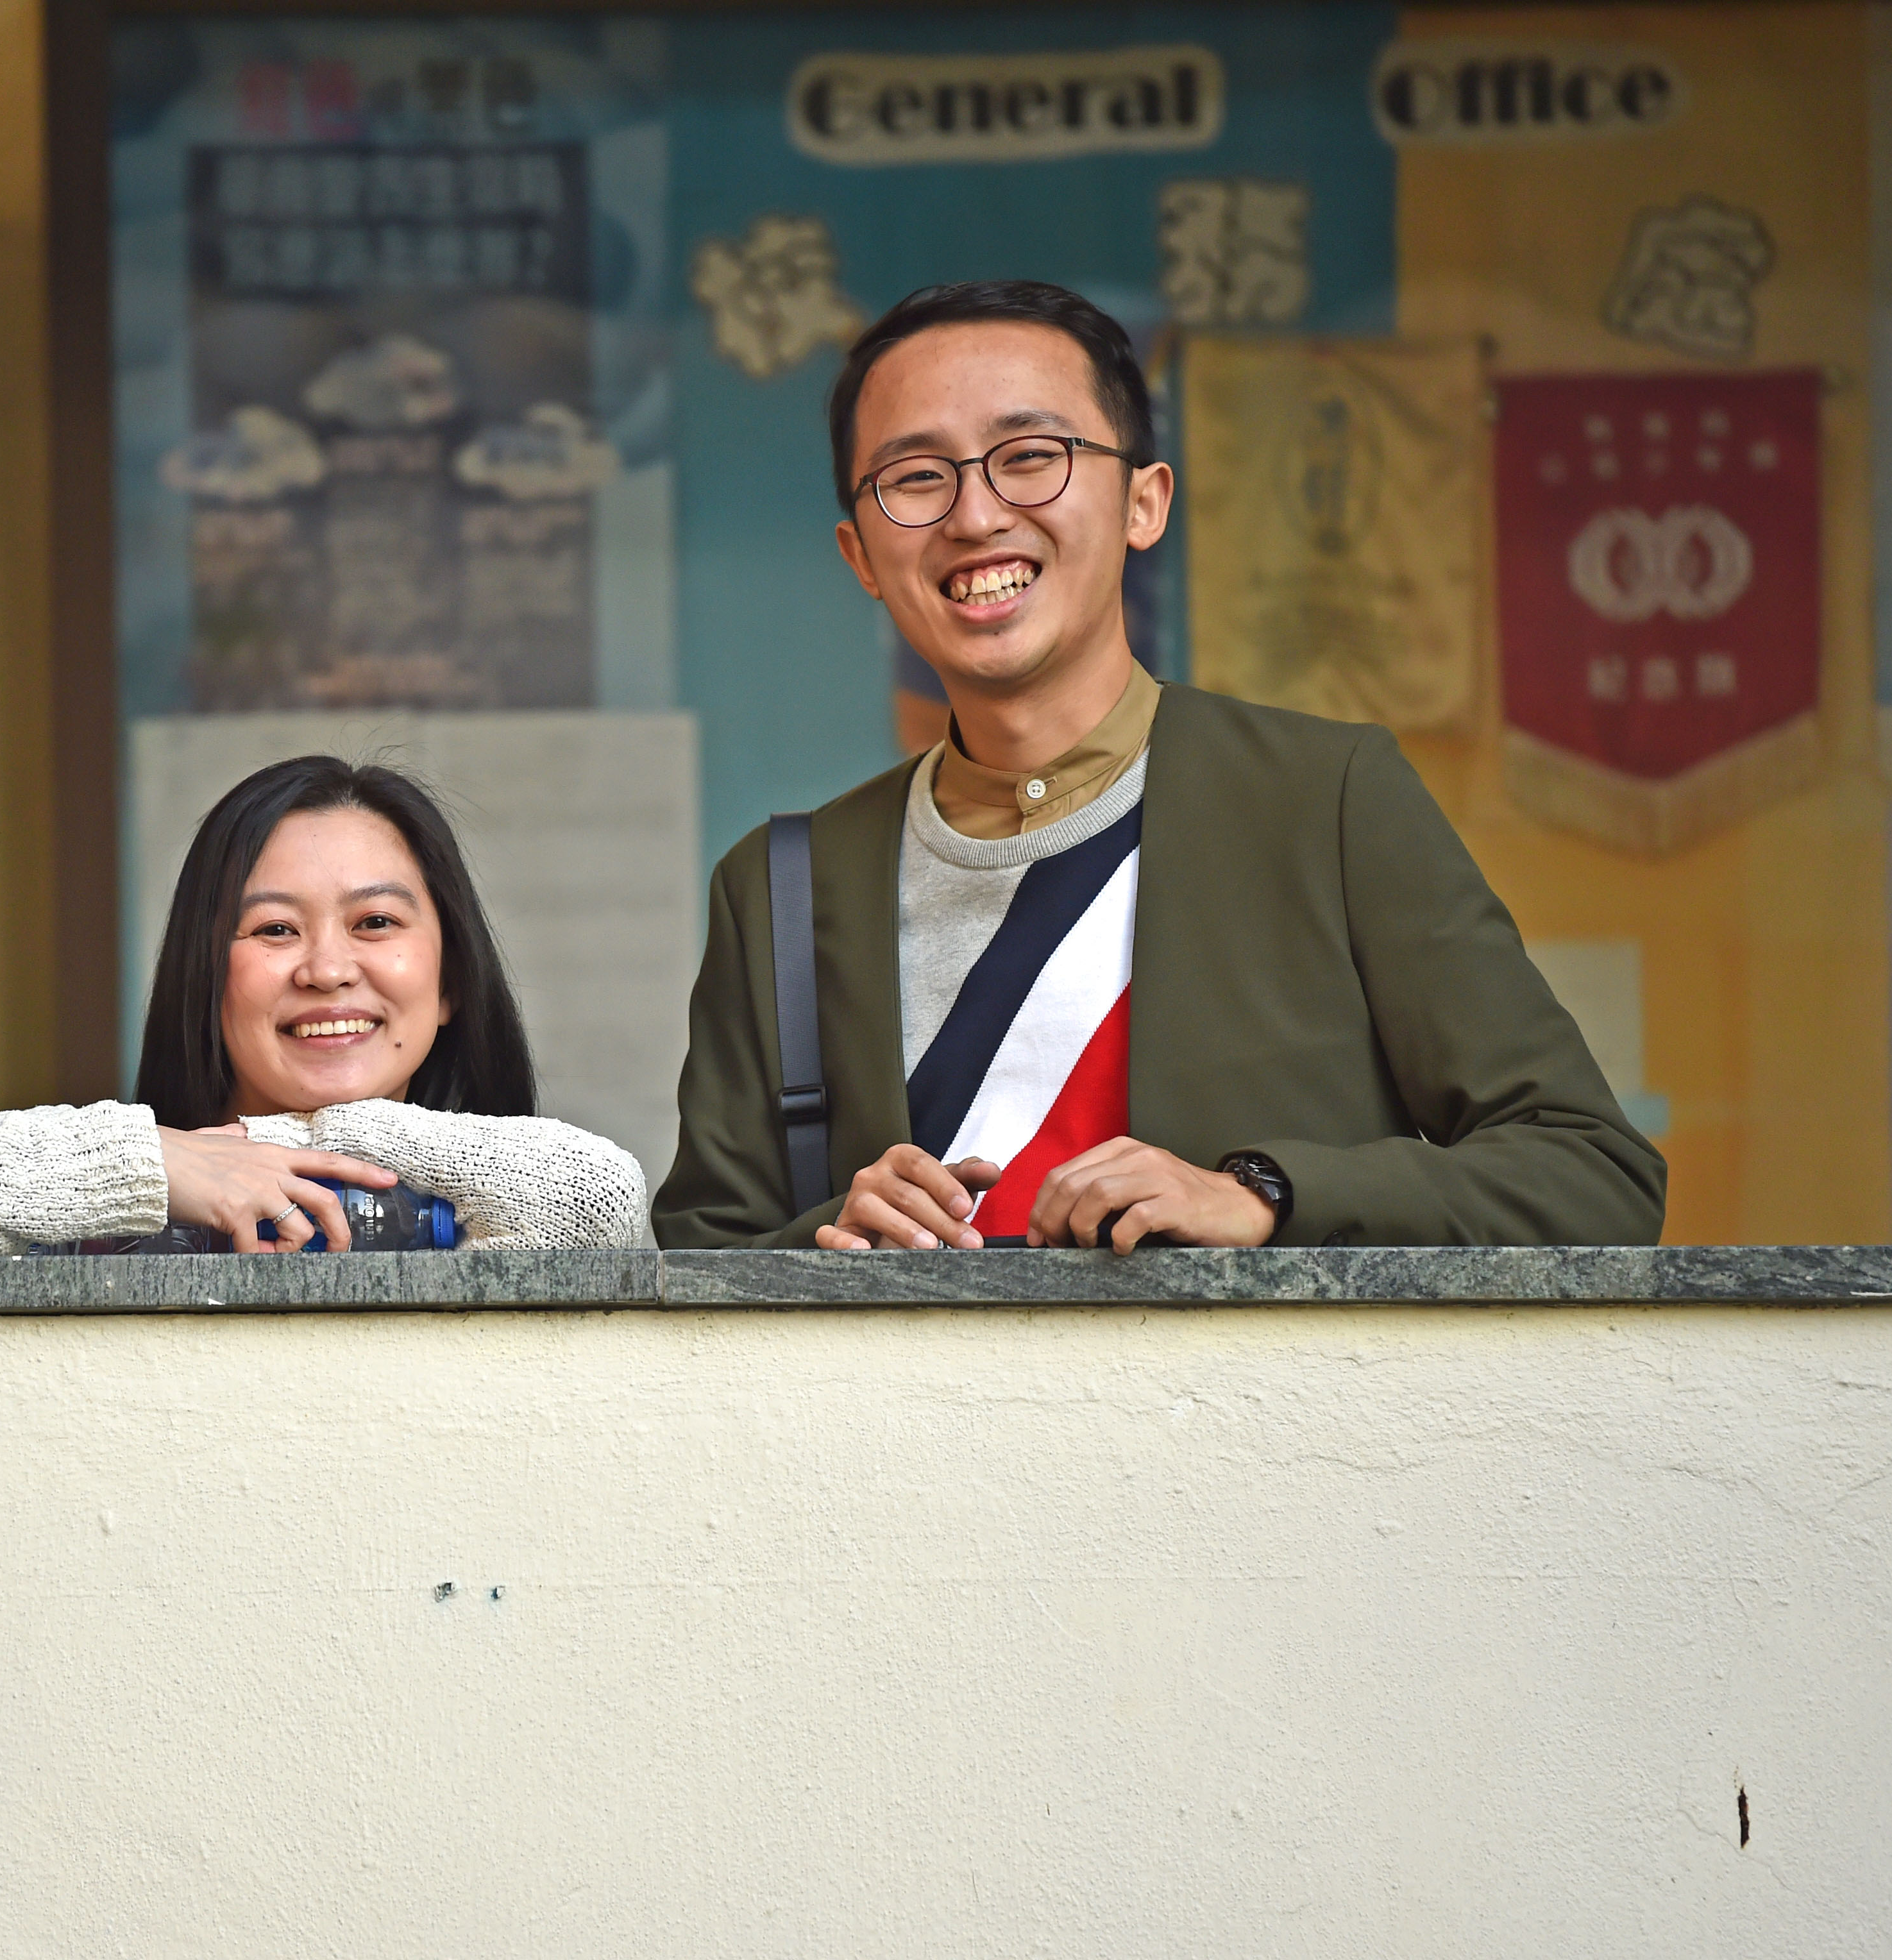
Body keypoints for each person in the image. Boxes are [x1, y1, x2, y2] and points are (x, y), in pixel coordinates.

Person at [652, 280, 1665, 1253]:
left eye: (1030, 456)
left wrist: (1265, 1196)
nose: (975, 516)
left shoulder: (1324, 801)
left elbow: (1591, 1172)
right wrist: (827, 1242)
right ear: (860, 556)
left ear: (1145, 502)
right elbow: (700, 1259)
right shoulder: (782, 889)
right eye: (917, 477)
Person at [0, 756, 650, 1256]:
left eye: (375, 922)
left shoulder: (488, 1210)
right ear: (205, 976)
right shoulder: (113, 1198)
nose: (327, 969)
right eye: (274, 930)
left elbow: (600, 1200)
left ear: (451, 979)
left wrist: (303, 1141)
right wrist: (154, 1162)